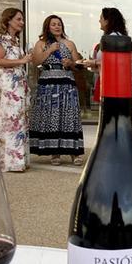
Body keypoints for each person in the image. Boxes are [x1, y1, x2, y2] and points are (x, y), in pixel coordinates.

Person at [29, 15, 85, 166]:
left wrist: (71, 63)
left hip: (67, 82)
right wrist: (50, 50)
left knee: (69, 116)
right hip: (48, 84)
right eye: (53, 24)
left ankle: (75, 153)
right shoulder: (41, 43)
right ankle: (55, 153)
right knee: (52, 116)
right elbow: (35, 62)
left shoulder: (69, 43)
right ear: (48, 26)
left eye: (59, 24)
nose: (57, 26)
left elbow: (79, 65)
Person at [0, 8, 31, 173]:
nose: (21, 22)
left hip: (20, 85)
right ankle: (8, 161)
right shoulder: (1, 39)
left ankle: (19, 160)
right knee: (10, 119)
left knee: (19, 120)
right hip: (9, 86)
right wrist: (22, 60)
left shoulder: (15, 40)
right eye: (18, 19)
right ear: (8, 20)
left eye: (22, 19)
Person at [88, 7, 129, 104]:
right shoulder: (116, 37)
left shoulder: (113, 38)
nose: (99, 20)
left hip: (112, 86)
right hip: (112, 84)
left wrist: (93, 62)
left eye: (101, 18)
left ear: (107, 21)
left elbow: (113, 63)